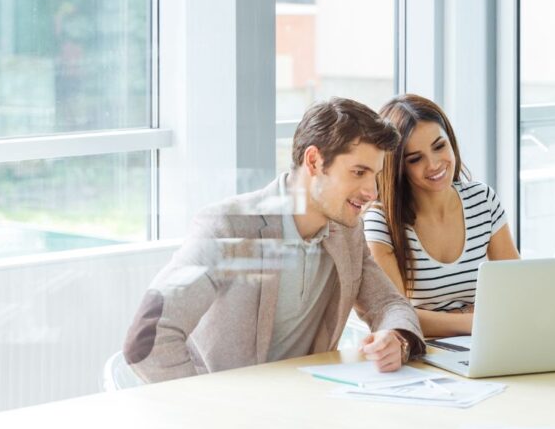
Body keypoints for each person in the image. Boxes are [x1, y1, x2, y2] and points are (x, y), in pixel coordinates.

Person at [123, 98, 425, 383]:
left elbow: (387, 303)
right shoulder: (228, 227)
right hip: (230, 417)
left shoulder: (347, 230)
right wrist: (204, 410)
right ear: (314, 161)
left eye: (375, 175)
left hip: (305, 407)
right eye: (359, 172)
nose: (372, 191)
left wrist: (395, 338)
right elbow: (147, 337)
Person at [364, 94, 519, 337]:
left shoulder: (482, 199)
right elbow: (396, 314)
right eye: (415, 159)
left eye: (439, 146)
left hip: (487, 341)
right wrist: (473, 320)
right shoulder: (381, 220)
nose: (434, 164)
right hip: (423, 352)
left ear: (451, 140)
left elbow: (517, 289)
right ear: (397, 166)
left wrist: (463, 320)